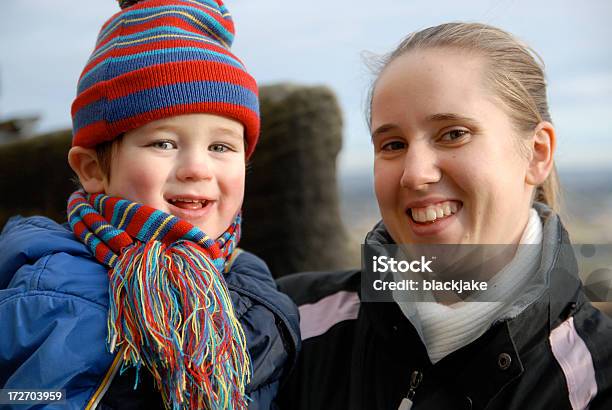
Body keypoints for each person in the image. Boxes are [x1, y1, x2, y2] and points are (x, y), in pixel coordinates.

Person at [276, 23, 612, 409]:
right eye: (393, 144)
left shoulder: (596, 383)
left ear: (537, 153)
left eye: (454, 134)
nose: (415, 173)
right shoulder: (290, 322)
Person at [0, 1, 299, 409]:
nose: (197, 168)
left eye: (220, 146)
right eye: (164, 143)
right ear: (92, 169)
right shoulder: (55, 295)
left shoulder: (248, 277)